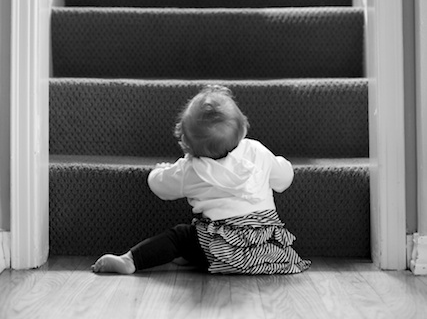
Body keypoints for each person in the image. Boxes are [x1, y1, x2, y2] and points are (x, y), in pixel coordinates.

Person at [92, 85, 310, 276]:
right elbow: (285, 178)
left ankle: (131, 260)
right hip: (266, 251)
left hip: (221, 250)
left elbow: (160, 186)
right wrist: (277, 163)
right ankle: (198, 255)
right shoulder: (257, 151)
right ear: (243, 129)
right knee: (204, 235)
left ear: (186, 143)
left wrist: (159, 171)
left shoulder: (192, 168)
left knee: (181, 237)